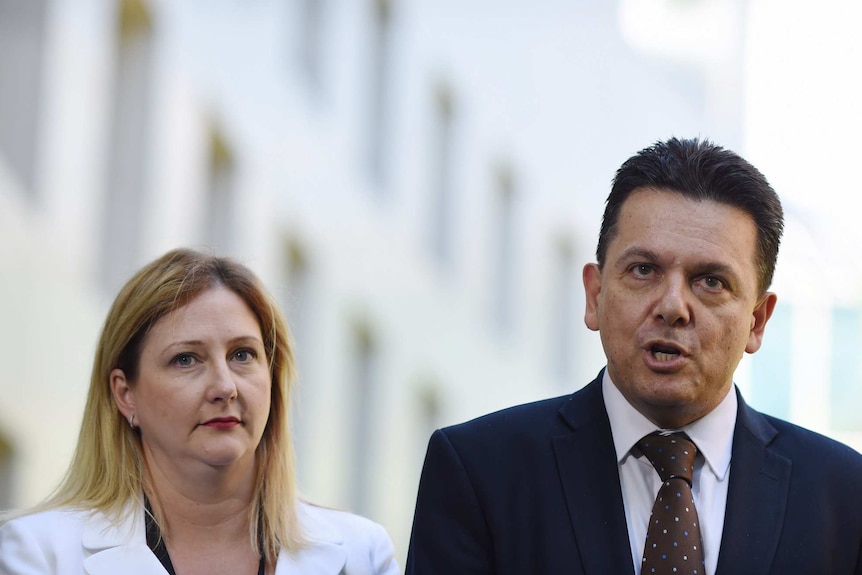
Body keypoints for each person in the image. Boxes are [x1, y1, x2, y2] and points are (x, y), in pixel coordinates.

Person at [406, 137, 862, 575]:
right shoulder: (481, 472)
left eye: (711, 281)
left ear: (758, 321)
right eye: (643, 270)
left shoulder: (843, 496)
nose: (672, 306)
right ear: (595, 294)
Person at [0, 248, 400, 575]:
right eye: (186, 360)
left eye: (242, 355)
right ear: (126, 395)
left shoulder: (362, 555)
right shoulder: (38, 554)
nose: (224, 387)